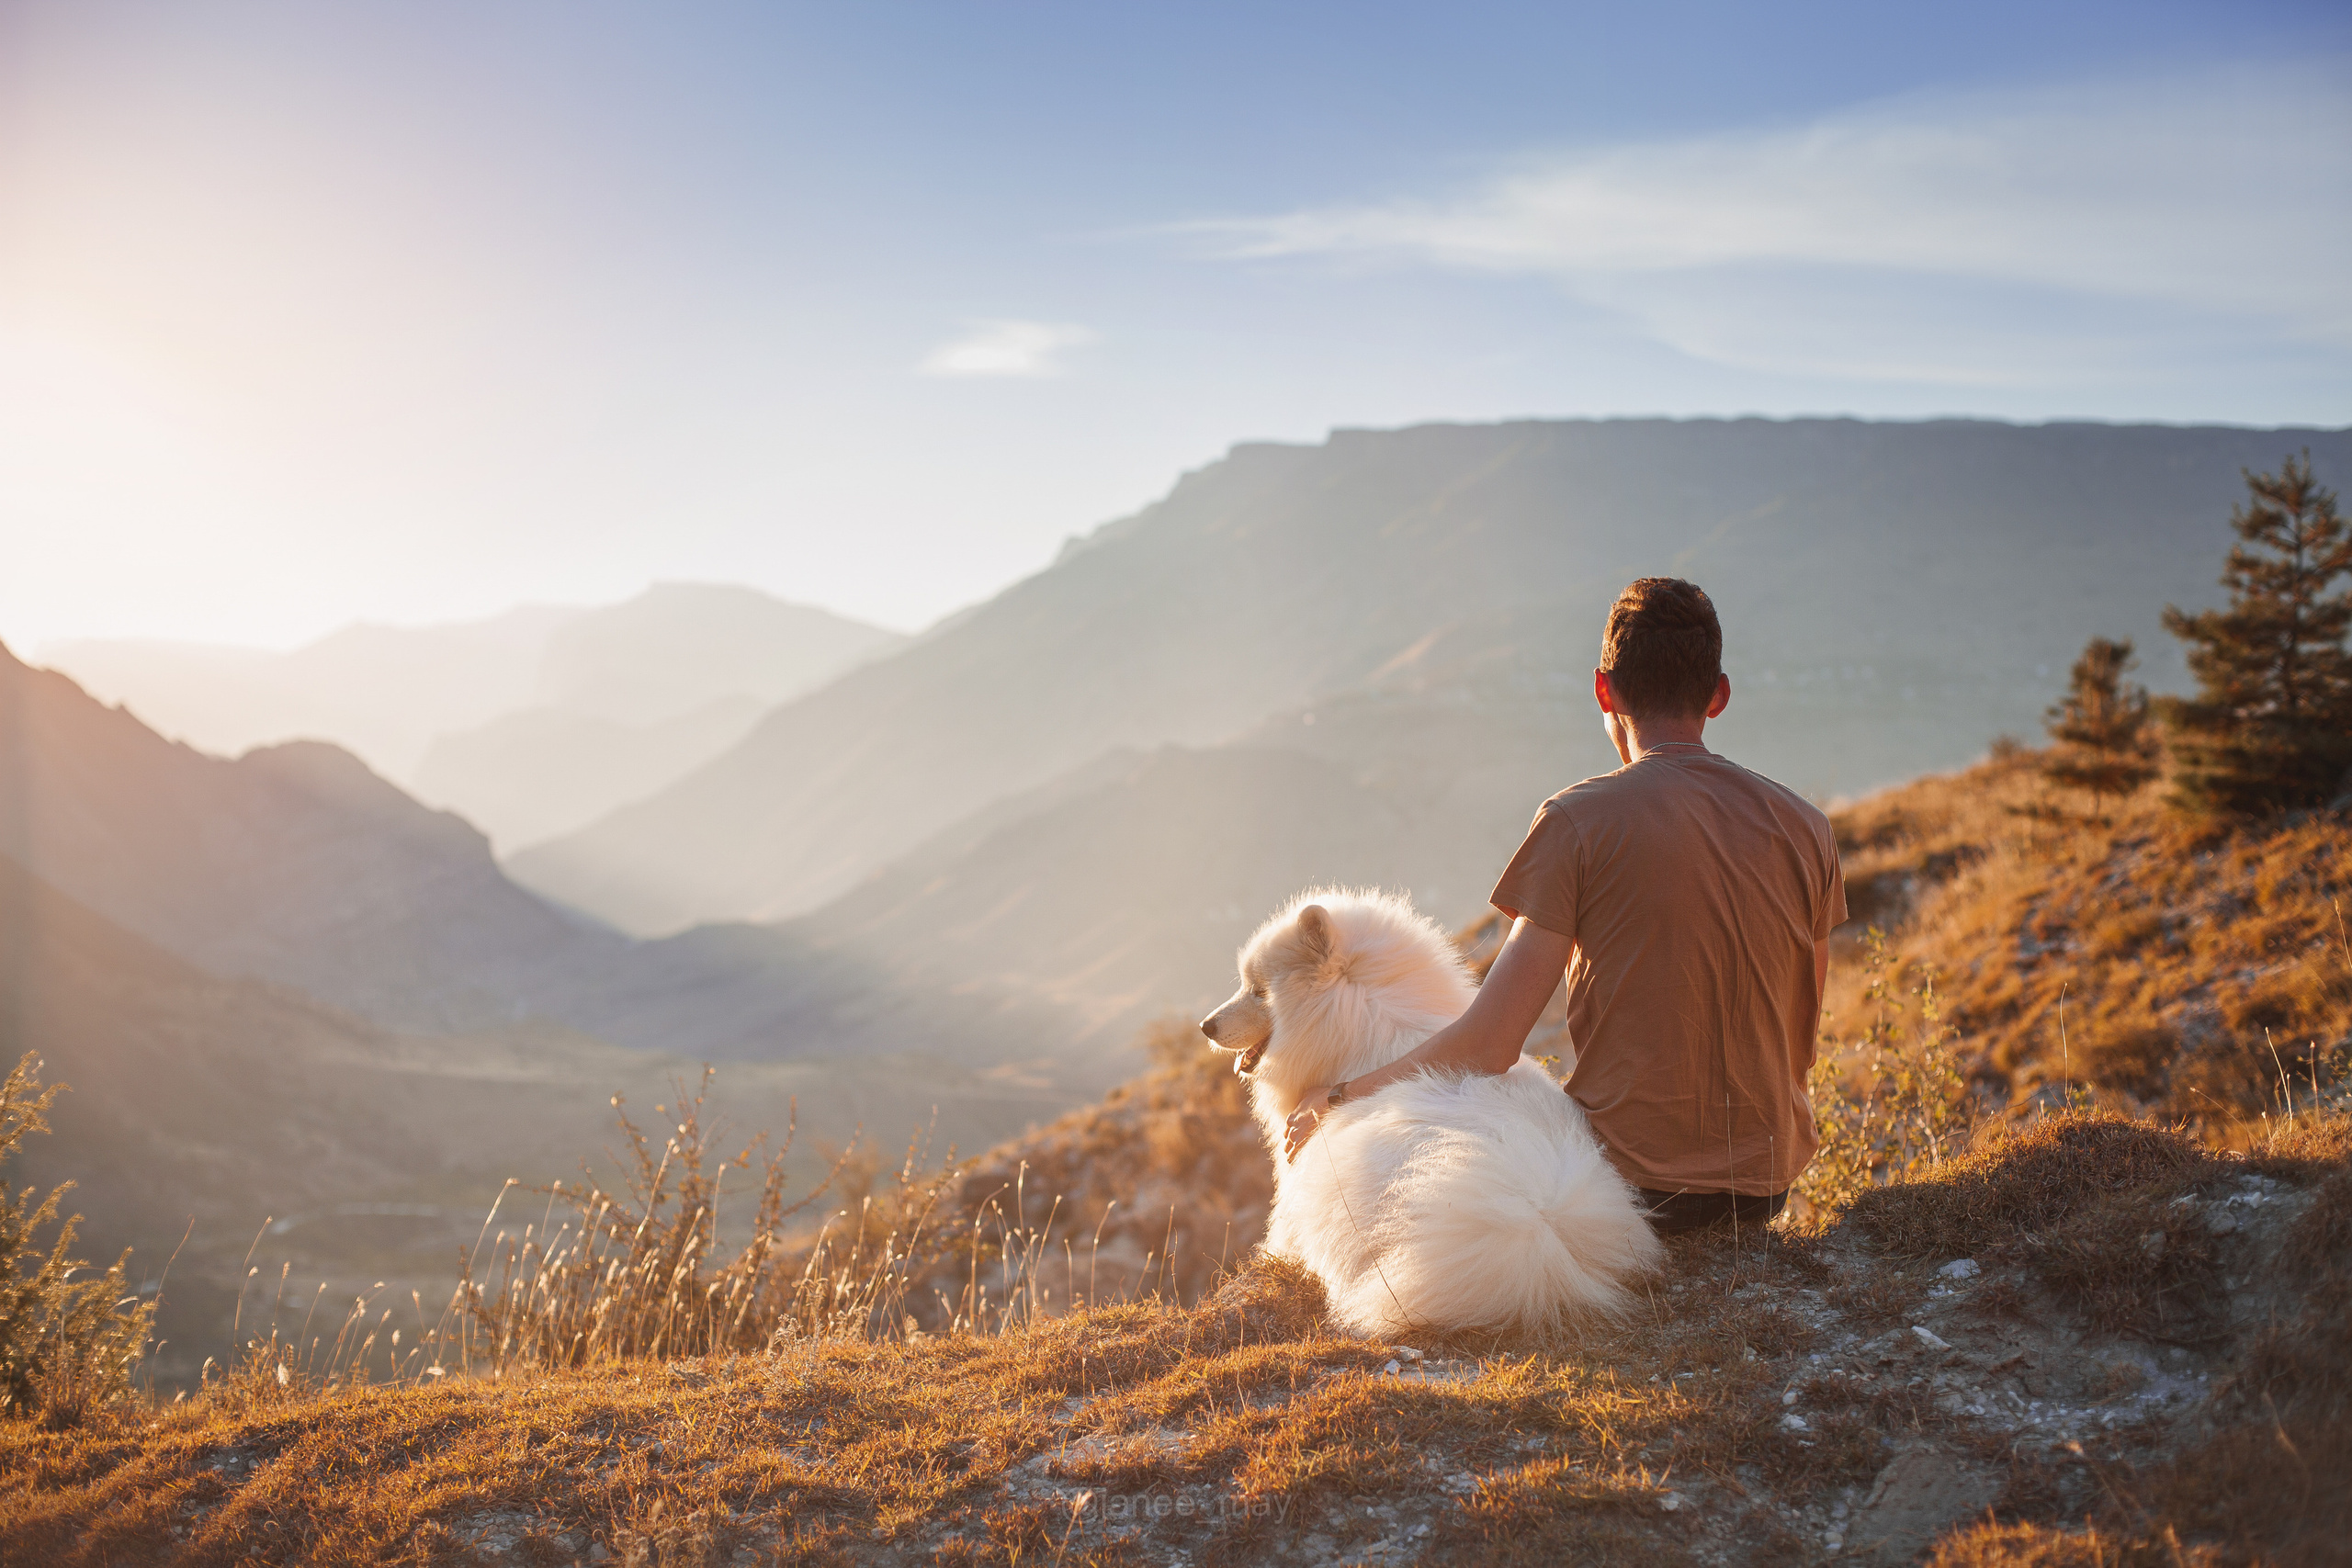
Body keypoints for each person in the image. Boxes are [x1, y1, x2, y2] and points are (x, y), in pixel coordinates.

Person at [1281, 577, 1846, 1234]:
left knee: (1505, 1092)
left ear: (1604, 691)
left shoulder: (1578, 821)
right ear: (1718, 695)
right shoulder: (1808, 827)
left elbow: (1489, 1045)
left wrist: (1342, 1096)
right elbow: (1802, 1034)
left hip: (1634, 1192)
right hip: (1765, 1183)